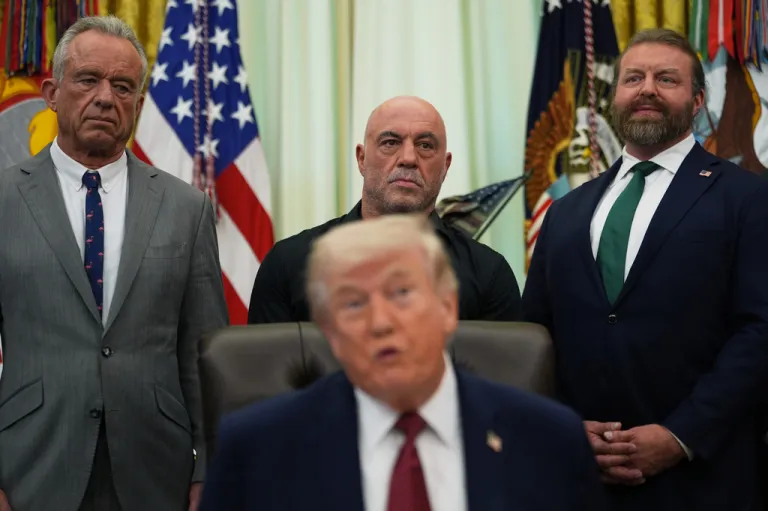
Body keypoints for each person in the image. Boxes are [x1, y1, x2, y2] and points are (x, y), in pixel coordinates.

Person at [201, 214, 606, 511]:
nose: (381, 322)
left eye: (401, 293)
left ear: (448, 307)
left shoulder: (548, 441)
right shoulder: (256, 450)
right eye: (353, 303)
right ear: (330, 332)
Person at [522, 28, 768, 511]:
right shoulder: (566, 212)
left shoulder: (747, 198)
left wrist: (680, 435)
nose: (647, 89)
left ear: (697, 101)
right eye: (633, 78)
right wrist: (563, 427)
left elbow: (760, 331)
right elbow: (535, 338)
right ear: (616, 97)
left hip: (705, 479)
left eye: (666, 79)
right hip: (582, 479)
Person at [0, 16, 228, 511]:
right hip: (30, 468)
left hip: (155, 471)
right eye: (88, 80)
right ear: (52, 92)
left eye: (123, 86)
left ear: (140, 105)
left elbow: (204, 355)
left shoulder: (187, 208)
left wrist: (211, 471)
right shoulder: (3, 200)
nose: (106, 97)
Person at [247, 95, 521, 324]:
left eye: (425, 146)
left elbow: (500, 385)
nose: (409, 158)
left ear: (445, 166)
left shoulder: (489, 274)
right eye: (390, 142)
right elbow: (265, 383)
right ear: (362, 159)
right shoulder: (289, 264)